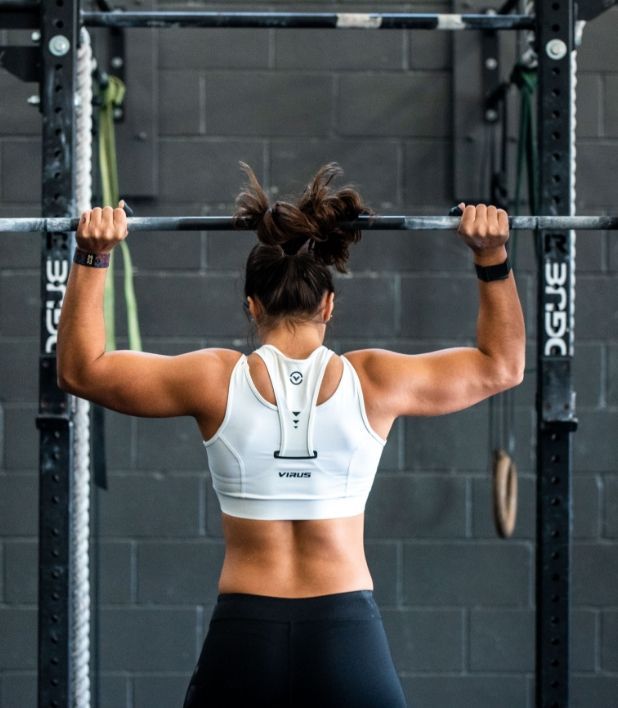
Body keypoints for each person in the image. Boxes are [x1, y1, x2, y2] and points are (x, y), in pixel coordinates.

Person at [57, 163, 525, 708]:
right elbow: (502, 366)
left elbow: (81, 370)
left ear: (251, 305)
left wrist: (94, 256)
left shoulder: (214, 380)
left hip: (244, 636)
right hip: (346, 633)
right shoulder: (375, 380)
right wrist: (491, 257)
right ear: (328, 304)